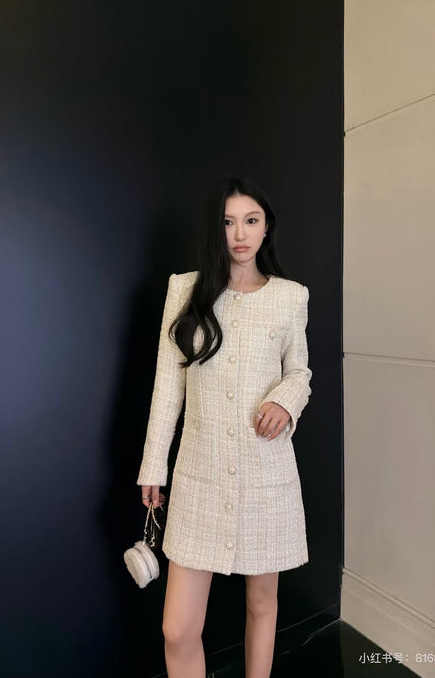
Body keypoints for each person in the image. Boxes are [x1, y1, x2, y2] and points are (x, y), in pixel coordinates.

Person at [136, 174, 313, 678]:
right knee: (178, 629)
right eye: (229, 222)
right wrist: (154, 466)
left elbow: (300, 371)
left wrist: (286, 401)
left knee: (261, 603)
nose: (240, 234)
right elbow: (167, 388)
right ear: (217, 229)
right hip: (200, 476)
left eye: (250, 221)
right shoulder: (185, 291)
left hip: (266, 473)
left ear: (266, 227)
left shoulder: (290, 297)